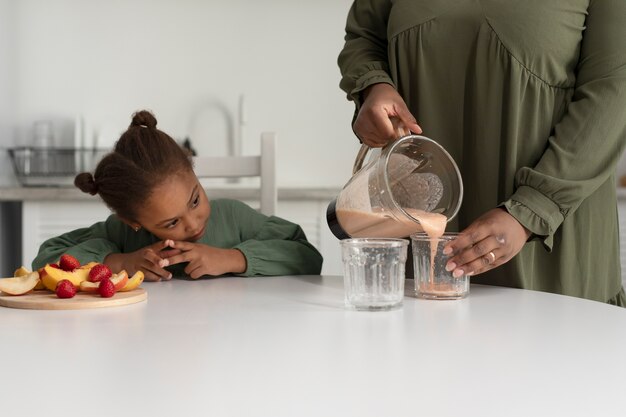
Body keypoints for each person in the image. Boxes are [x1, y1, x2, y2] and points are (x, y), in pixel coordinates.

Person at [338, 1, 626, 305]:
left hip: (549, 242)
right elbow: (364, 37)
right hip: (417, 237)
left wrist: (531, 210)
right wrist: (374, 86)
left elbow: (614, 91)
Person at [32, 110, 323, 280]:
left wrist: (232, 259)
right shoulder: (121, 235)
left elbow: (308, 257)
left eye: (195, 200)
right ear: (133, 220)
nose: (193, 224)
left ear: (194, 172)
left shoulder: (234, 218)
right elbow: (44, 263)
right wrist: (120, 262)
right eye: (171, 223)